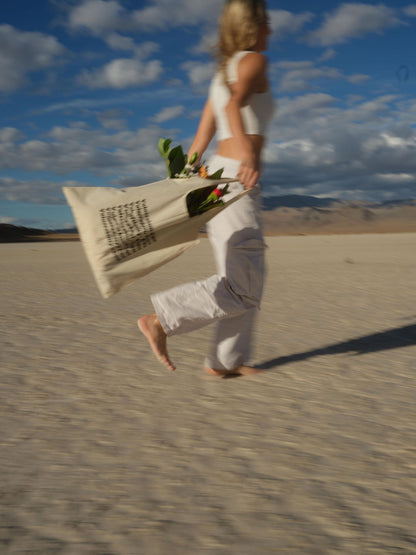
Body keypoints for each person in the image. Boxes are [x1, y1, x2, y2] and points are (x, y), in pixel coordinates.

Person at [138, 0, 274, 376]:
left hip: (217, 176)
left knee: (243, 271)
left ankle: (226, 361)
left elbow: (201, 138)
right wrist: (248, 154)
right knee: (243, 280)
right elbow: (234, 106)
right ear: (253, 25)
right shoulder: (253, 61)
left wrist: (181, 177)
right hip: (234, 177)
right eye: (268, 23)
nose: (272, 32)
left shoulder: (220, 73)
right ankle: (161, 320)